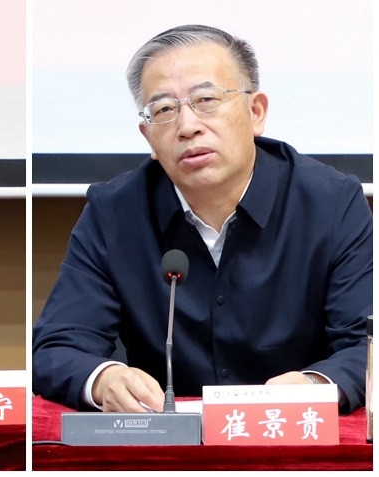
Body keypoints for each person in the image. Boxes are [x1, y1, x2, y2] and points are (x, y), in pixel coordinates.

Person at [32, 24, 372, 414]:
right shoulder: (113, 212)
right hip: (166, 441)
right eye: (164, 110)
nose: (187, 126)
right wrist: (105, 379)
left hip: (292, 433)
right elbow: (57, 346)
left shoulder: (332, 204)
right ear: (147, 137)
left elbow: (366, 345)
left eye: (206, 100)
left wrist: (315, 385)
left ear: (256, 112)